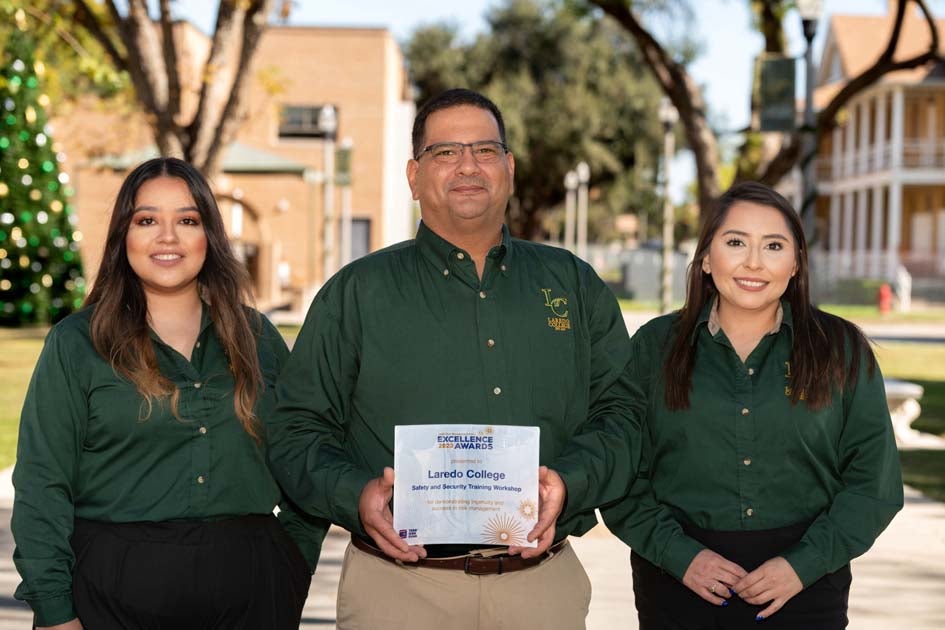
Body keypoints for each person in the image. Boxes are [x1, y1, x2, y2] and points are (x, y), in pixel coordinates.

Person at [266, 88, 643, 630]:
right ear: (414, 175)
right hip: (396, 593)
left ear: (509, 167)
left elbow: (623, 415)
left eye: (485, 150)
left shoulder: (575, 286)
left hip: (540, 591)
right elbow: (296, 426)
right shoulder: (356, 293)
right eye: (445, 153)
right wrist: (357, 496)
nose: (468, 165)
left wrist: (572, 482)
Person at [12, 157, 327, 630]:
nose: (167, 237)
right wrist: (56, 611)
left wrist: (289, 566)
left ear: (209, 236)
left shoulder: (257, 337)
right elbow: (42, 487)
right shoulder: (77, 344)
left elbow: (303, 456)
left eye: (186, 220)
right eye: (147, 220)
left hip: (249, 595)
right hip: (108, 597)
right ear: (124, 236)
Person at [602, 181, 903, 629]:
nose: (754, 262)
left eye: (774, 245)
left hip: (805, 594)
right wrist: (681, 556)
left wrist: (802, 565)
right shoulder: (653, 348)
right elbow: (620, 473)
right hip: (678, 590)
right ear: (706, 257)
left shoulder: (840, 350)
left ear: (796, 262)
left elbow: (873, 486)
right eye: (736, 242)